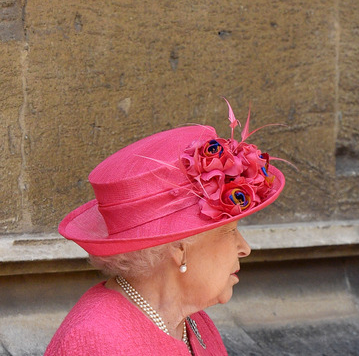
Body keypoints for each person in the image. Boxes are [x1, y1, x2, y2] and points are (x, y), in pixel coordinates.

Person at [45, 101, 285, 355]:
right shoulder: (98, 342)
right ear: (179, 248)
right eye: (229, 231)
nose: (244, 248)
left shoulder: (193, 323)